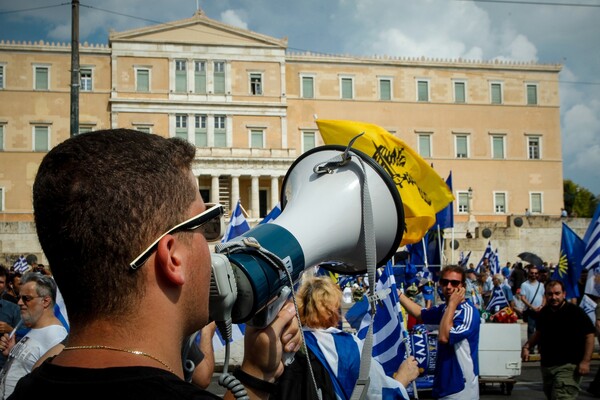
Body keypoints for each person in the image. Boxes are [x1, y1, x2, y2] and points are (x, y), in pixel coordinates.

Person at [10, 129, 301, 400]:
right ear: (172, 257)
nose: (214, 247)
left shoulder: (22, 389)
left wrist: (255, 374)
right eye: (205, 226)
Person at [295, 276, 418, 399]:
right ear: (331, 310)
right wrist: (403, 378)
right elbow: (378, 393)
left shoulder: (293, 340)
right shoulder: (346, 346)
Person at [399, 265, 481, 399]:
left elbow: (444, 337)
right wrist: (399, 295)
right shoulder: (445, 309)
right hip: (442, 383)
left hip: (460, 387)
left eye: (454, 283)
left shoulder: (468, 312)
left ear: (463, 286)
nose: (449, 287)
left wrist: (453, 304)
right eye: (444, 282)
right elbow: (420, 313)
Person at [522, 280, 595, 399]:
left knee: (561, 396)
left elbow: (589, 335)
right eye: (550, 294)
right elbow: (539, 332)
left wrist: (586, 361)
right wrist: (527, 346)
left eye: (557, 293)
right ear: (545, 295)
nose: (553, 297)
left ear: (564, 294)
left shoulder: (575, 312)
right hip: (548, 365)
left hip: (568, 366)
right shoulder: (545, 312)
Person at [0, 271, 68, 398]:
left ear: (46, 301)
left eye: (26, 298)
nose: (20, 303)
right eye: (19, 297)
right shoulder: (35, 329)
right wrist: (11, 352)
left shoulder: (56, 336)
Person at [519, 265, 545, 353]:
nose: (534, 275)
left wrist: (542, 306)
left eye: (536, 273)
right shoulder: (524, 285)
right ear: (529, 273)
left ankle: (541, 347)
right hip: (530, 310)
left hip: (540, 310)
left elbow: (544, 297)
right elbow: (523, 298)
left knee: (541, 329)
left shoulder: (541, 285)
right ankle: (531, 348)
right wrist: (532, 307)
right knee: (531, 329)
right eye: (532, 273)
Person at [0, 268, 21, 369]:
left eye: (0, 282)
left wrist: (10, 330)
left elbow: (24, 338)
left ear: (5, 285)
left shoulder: (14, 309)